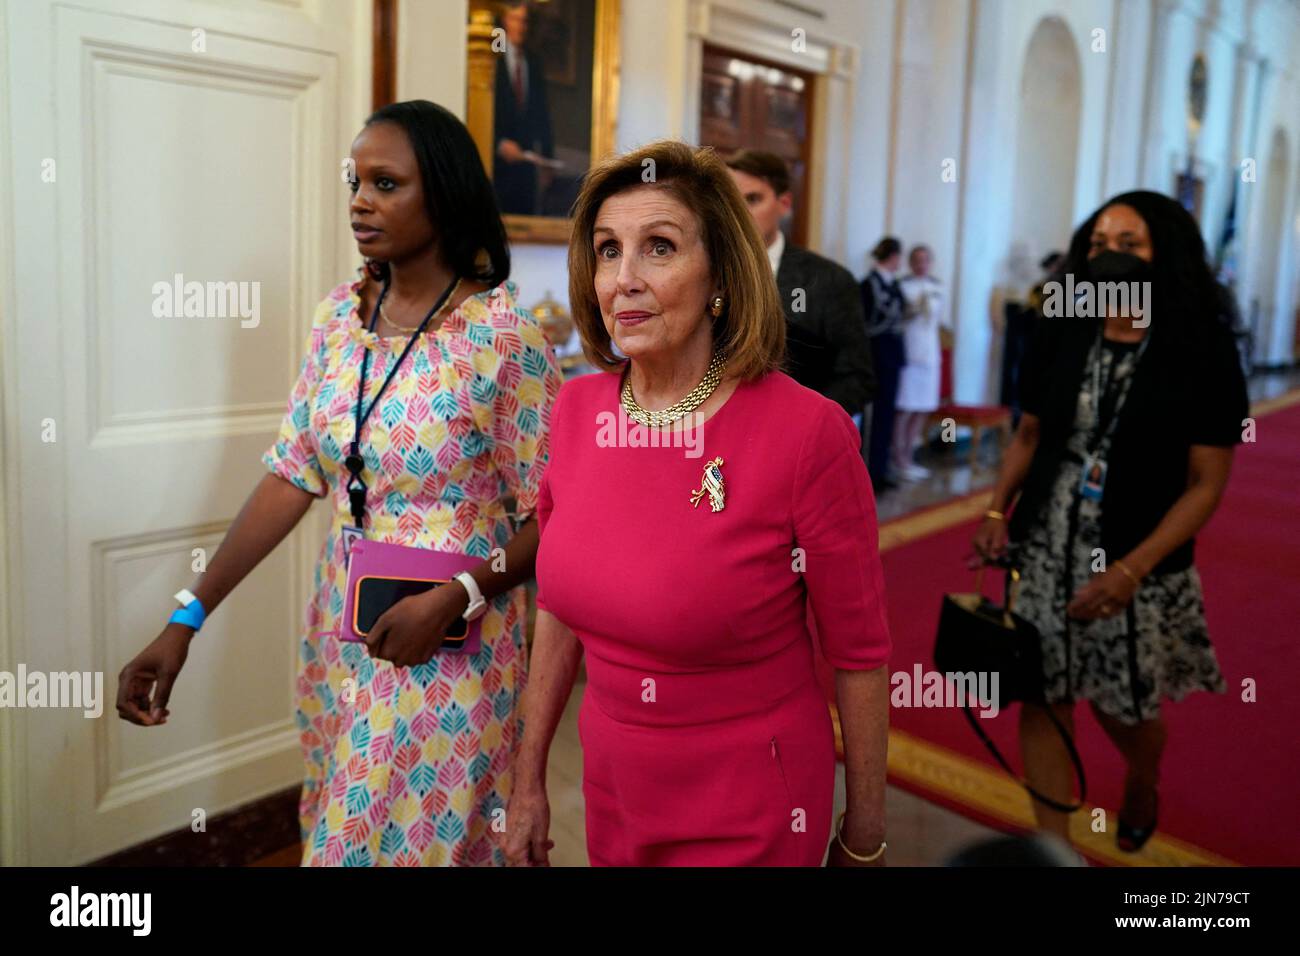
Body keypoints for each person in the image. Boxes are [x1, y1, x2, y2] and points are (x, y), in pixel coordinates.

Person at [116, 100, 564, 866]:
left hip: (454, 638)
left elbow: (556, 519)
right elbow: (295, 474)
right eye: (356, 181)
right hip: (345, 625)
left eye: (386, 183)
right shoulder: (339, 318)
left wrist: (454, 597)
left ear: (445, 194)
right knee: (341, 820)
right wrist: (186, 617)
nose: (360, 200)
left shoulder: (502, 338)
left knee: (399, 847)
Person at [499, 140, 892, 867]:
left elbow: (859, 654)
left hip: (754, 798)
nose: (624, 279)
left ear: (719, 275)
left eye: (659, 248)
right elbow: (555, 605)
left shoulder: (807, 433)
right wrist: (528, 783)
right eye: (607, 250)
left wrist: (863, 838)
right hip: (614, 789)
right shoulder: (578, 410)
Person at [971, 191, 1248, 852]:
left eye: (1130, 245)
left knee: (1123, 706)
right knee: (1043, 697)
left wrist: (1130, 570)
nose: (1110, 257)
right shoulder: (1063, 325)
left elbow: (1206, 485)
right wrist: (993, 507)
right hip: (1047, 537)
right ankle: (1052, 849)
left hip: (1139, 548)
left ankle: (1142, 778)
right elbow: (1030, 432)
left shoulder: (1201, 347)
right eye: (1099, 245)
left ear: (1165, 256)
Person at [724, 148, 875, 421]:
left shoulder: (829, 280)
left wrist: (802, 423)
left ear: (784, 203)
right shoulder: (703, 274)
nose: (740, 213)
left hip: (797, 436)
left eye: (753, 199)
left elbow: (856, 377)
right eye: (732, 201)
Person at [493, 1, 555, 215]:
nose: (520, 26)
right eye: (514, 19)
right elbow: (479, 110)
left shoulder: (532, 62)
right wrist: (498, 144)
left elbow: (542, 115)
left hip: (526, 171)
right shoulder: (492, 58)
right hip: (495, 166)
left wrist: (548, 158)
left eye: (523, 21)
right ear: (504, 22)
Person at [892, 244, 948, 480]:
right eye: (916, 259)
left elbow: (939, 319)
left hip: (929, 353)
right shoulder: (902, 286)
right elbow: (897, 318)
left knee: (922, 408)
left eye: (925, 259)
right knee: (905, 407)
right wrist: (912, 311)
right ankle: (898, 458)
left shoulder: (937, 286)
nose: (921, 264)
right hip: (910, 352)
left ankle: (910, 455)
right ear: (910, 262)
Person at [860, 238, 906, 489]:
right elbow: (867, 324)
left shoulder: (893, 284)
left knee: (887, 415)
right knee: (874, 416)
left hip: (893, 355)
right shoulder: (868, 285)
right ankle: (869, 471)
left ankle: (881, 468)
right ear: (893, 256)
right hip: (876, 355)